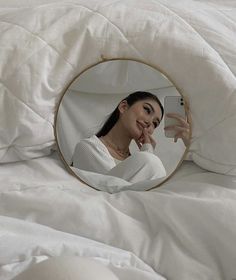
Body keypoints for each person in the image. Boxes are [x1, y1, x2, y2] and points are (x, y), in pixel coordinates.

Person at [72, 91, 190, 183]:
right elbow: (108, 188)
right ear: (123, 107)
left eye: (155, 123)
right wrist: (147, 153)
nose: (149, 122)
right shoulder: (87, 147)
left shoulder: (138, 161)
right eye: (147, 110)